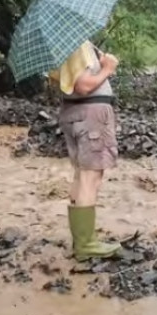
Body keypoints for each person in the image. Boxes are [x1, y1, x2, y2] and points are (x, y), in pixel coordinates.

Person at [47, 40, 122, 261]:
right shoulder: (75, 44)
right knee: (91, 176)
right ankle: (86, 244)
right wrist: (108, 69)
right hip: (90, 113)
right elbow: (83, 85)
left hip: (74, 112)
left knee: (82, 175)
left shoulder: (58, 46)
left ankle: (81, 240)